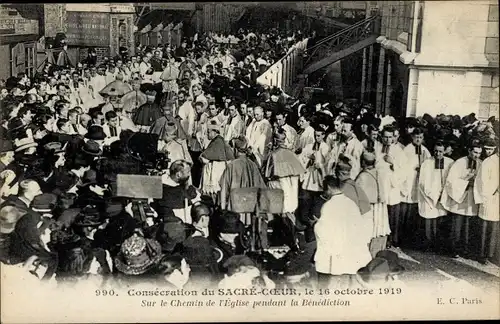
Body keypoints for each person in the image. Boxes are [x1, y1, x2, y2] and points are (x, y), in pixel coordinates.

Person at [314, 175, 372, 288]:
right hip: (350, 245)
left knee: (332, 279)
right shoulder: (351, 203)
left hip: (336, 246)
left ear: (329, 188)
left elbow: (323, 230)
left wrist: (316, 224)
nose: (324, 192)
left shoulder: (328, 205)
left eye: (324, 189)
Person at [262, 129, 305, 252]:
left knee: (280, 217)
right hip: (291, 192)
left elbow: (267, 174)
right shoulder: (291, 154)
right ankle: (294, 242)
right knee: (290, 215)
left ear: (275, 140)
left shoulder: (273, 155)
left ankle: (283, 241)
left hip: (278, 190)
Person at [441, 140, 482, 258]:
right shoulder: (459, 163)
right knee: (457, 225)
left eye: (479, 153)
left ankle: (466, 249)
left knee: (468, 226)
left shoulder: (480, 163)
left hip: (471, 199)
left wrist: (475, 183)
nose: (476, 155)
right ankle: (454, 249)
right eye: (474, 152)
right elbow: (450, 181)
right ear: (469, 151)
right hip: (459, 198)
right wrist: (465, 182)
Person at [417, 141, 454, 251]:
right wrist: (433, 195)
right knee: (429, 221)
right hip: (428, 196)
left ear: (445, 151)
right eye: (436, 151)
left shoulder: (450, 163)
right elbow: (423, 182)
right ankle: (428, 244)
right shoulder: (427, 163)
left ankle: (438, 244)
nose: (438, 154)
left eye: (440, 152)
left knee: (440, 219)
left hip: (443, 196)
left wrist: (443, 194)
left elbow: (451, 180)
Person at [375, 126, 406, 248]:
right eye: (385, 137)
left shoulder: (399, 151)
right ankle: (383, 238)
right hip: (381, 185)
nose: (388, 140)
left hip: (393, 187)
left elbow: (404, 171)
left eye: (390, 137)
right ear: (381, 137)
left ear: (393, 138)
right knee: (382, 214)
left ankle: (393, 239)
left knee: (393, 215)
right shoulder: (377, 149)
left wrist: (393, 163)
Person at [400, 127, 432, 247]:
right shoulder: (407, 150)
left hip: (418, 183)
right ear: (412, 137)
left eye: (420, 138)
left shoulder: (425, 151)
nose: (418, 140)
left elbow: (428, 165)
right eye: (416, 137)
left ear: (423, 138)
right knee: (406, 211)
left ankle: (412, 239)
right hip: (409, 181)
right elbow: (402, 165)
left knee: (415, 212)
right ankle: (403, 238)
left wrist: (422, 169)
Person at [356, 150, 391, 257]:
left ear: (363, 162)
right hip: (380, 208)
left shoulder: (362, 176)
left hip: (369, 208)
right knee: (378, 232)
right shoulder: (379, 173)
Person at [473, 148, 499, 264]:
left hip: (497, 199)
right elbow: (482, 181)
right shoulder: (488, 162)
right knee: (485, 227)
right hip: (489, 198)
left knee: (494, 228)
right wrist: (494, 189)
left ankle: (491, 254)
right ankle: (481, 254)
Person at [199, 120, 234, 201]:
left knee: (213, 195)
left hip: (215, 171)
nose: (207, 134)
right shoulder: (219, 141)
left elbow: (205, 157)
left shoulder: (217, 142)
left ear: (214, 132)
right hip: (219, 170)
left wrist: (201, 157)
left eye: (208, 132)